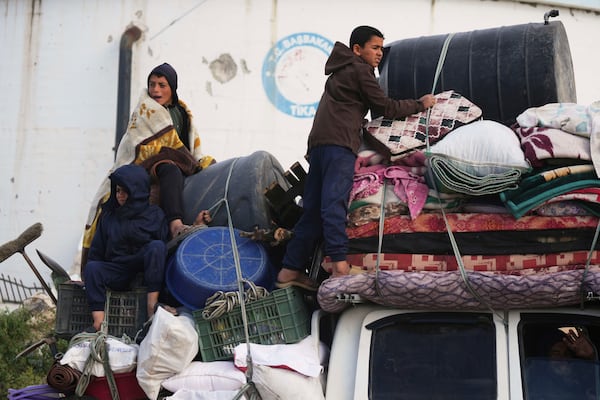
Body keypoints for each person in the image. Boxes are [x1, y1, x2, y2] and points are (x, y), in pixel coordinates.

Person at [276, 25, 435, 290]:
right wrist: (421, 104)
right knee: (333, 205)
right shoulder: (360, 70)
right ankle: (340, 267)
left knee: (312, 211)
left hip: (319, 145)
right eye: (375, 48)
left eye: (382, 49)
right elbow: (385, 107)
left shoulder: (339, 71)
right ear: (357, 49)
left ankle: (288, 271)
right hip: (339, 146)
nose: (379, 54)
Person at [82, 63, 214, 272]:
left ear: (172, 87)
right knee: (168, 168)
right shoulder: (145, 110)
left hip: (178, 160)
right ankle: (175, 224)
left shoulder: (182, 111)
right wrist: (173, 154)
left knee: (189, 167)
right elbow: (136, 145)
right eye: (152, 84)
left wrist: (190, 159)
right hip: (146, 164)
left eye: (162, 85)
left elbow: (186, 142)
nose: (155, 90)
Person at [83, 164, 169, 331]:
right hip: (119, 270)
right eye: (117, 191)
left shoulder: (155, 215)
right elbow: (96, 253)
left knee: (157, 247)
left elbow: (163, 250)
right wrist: (88, 278)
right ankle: (98, 323)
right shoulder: (109, 217)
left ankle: (152, 308)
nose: (120, 196)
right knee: (93, 268)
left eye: (124, 191)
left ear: (136, 191)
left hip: (145, 270)